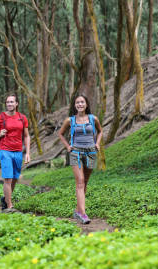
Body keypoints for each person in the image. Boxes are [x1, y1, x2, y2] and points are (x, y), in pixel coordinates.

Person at [58, 94, 102, 224]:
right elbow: (60, 134)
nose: (80, 104)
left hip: (90, 152)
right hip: (75, 152)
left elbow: (100, 131)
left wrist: (97, 143)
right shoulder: (69, 120)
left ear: (86, 104)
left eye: (82, 102)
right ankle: (83, 214)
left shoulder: (93, 119)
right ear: (75, 105)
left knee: (85, 182)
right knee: (80, 181)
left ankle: (78, 210)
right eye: (77, 103)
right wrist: (67, 146)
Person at [0, 94, 30, 211]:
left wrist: (28, 153)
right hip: (5, 150)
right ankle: (9, 206)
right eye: (7, 102)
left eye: (12, 102)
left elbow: (26, 136)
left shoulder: (22, 118)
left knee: (15, 177)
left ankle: (5, 199)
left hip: (18, 151)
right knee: (8, 178)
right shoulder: (1, 117)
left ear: (17, 104)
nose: (9, 104)